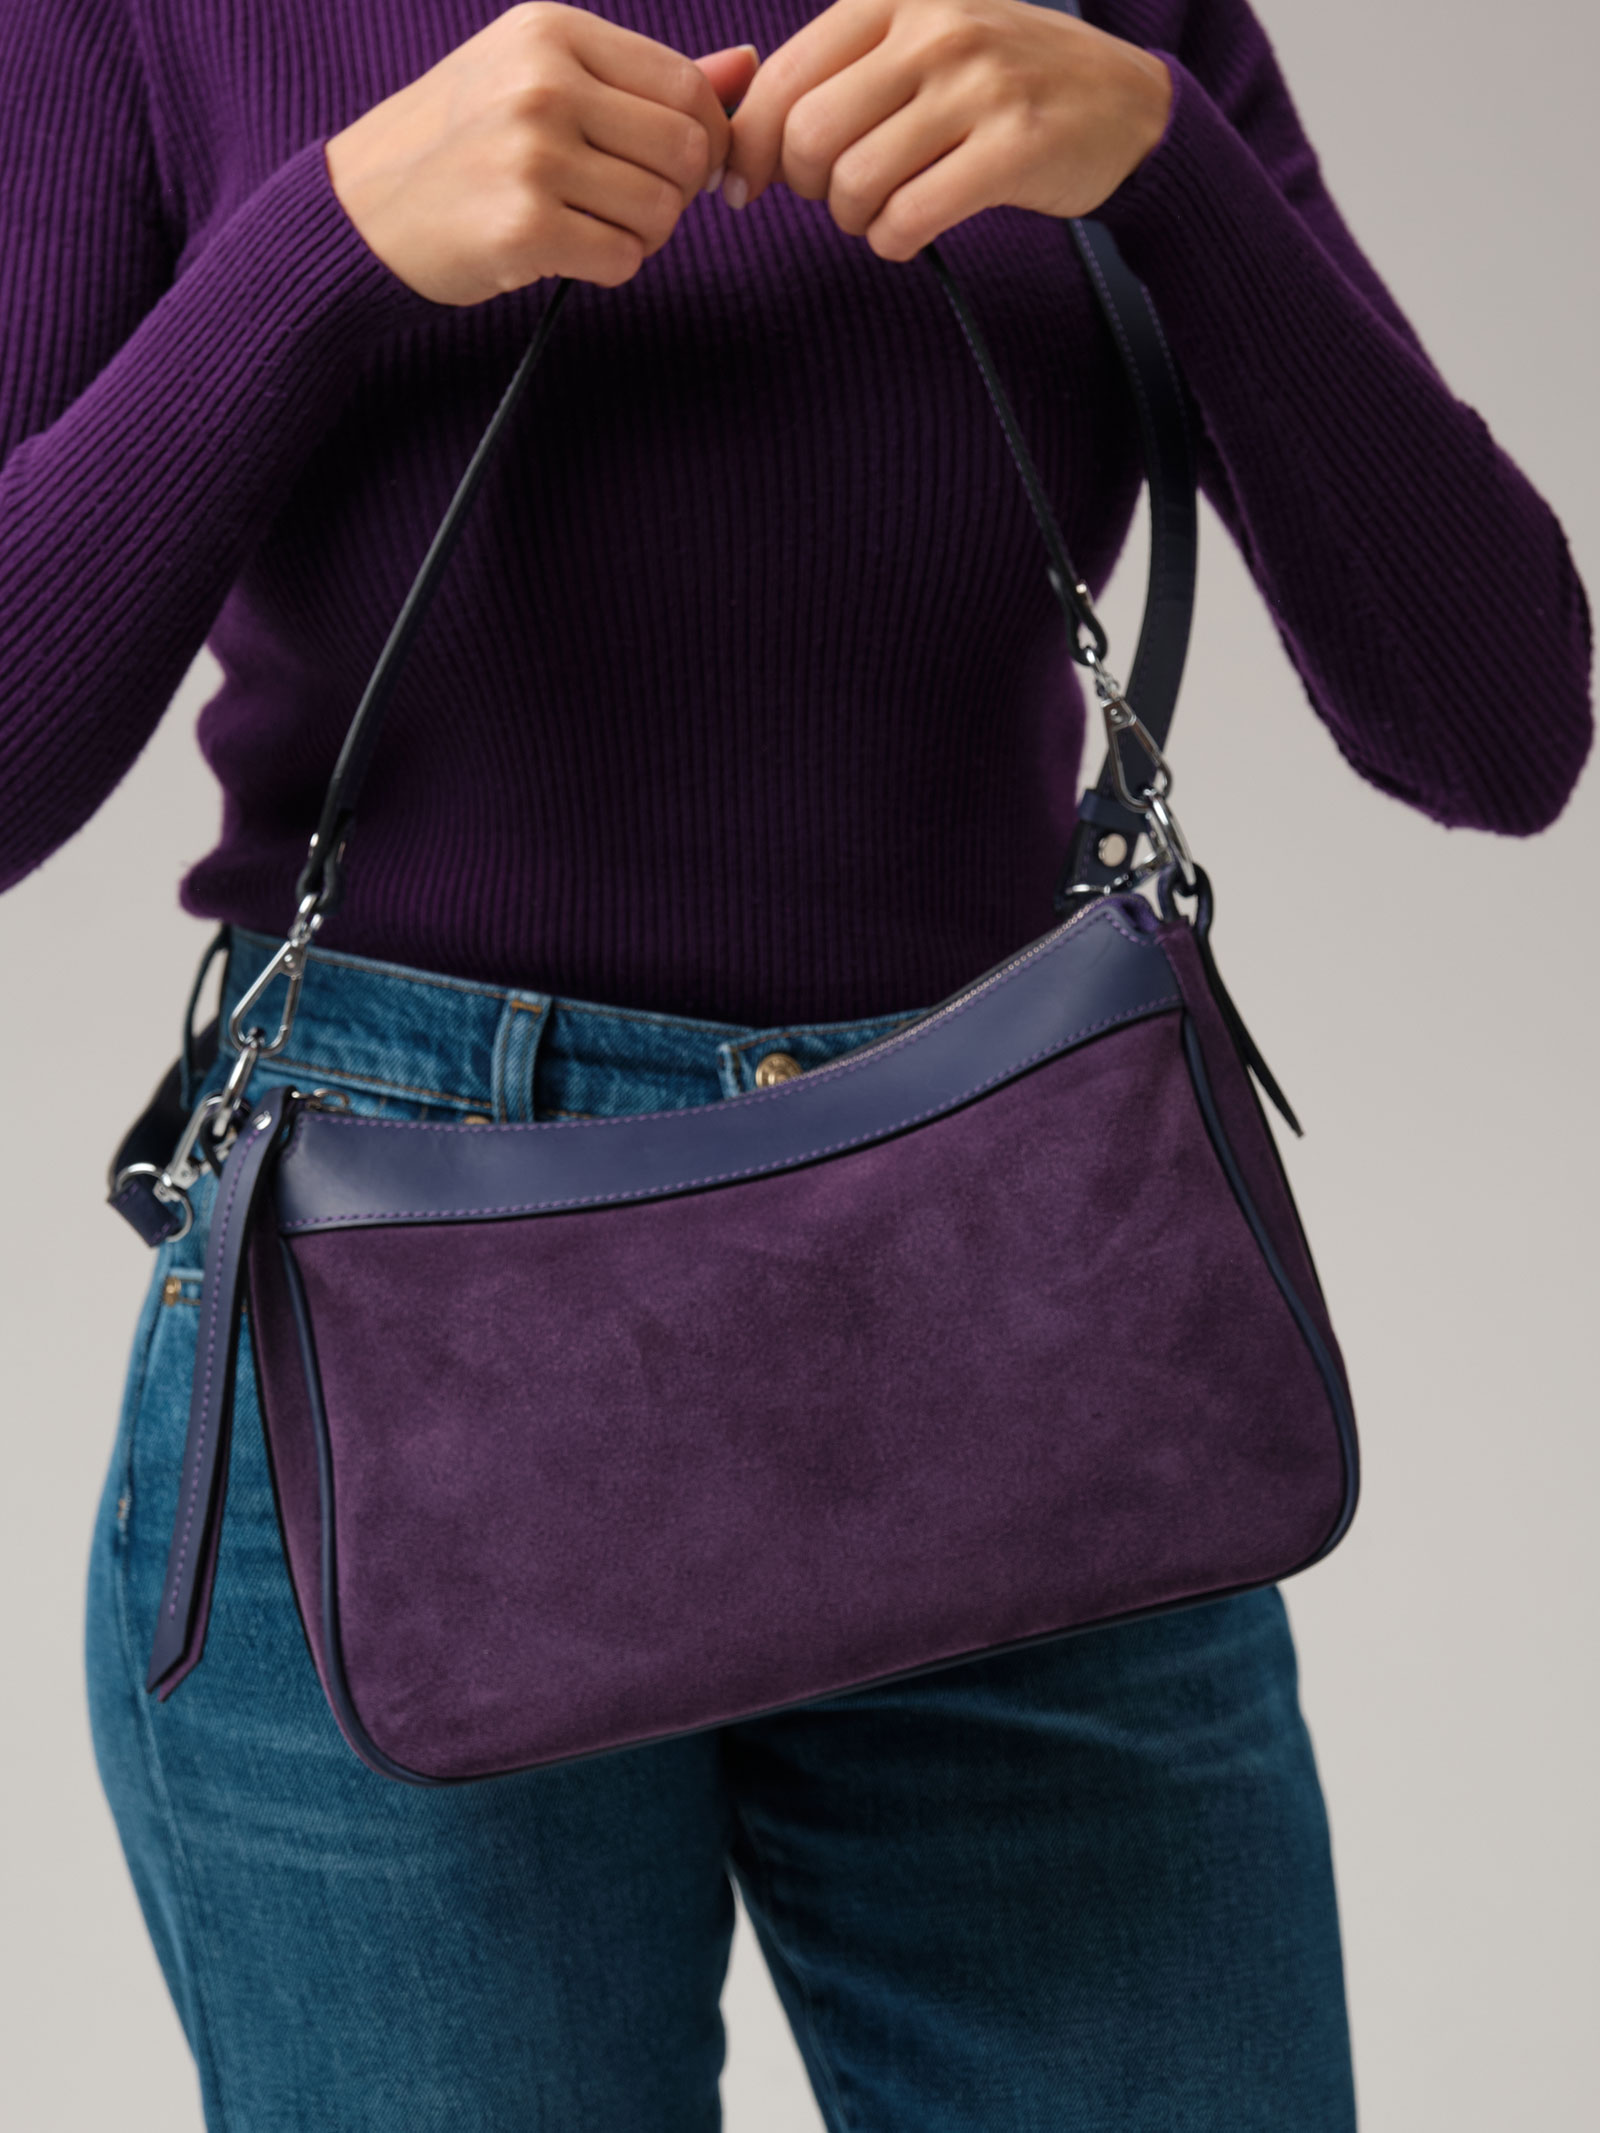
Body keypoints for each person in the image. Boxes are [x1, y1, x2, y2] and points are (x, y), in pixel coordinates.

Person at [0, 0, 1589, 2125]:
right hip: (395, 1348)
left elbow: (1496, 729)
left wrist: (1164, 164)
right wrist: (327, 247)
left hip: (1018, 1301)